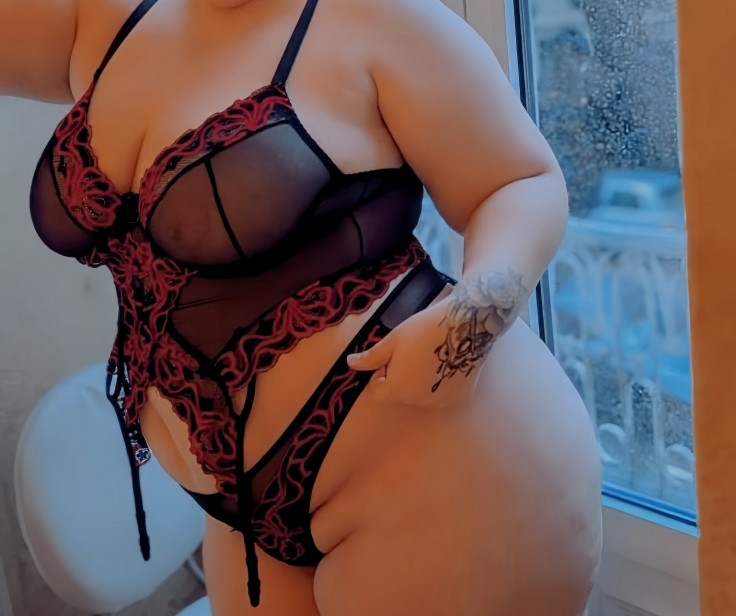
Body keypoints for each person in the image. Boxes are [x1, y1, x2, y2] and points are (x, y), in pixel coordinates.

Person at [7, 0, 602, 613]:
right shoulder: (109, 19)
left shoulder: (379, 19)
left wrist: (470, 322)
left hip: (442, 469)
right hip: (243, 514)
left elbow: (520, 181)